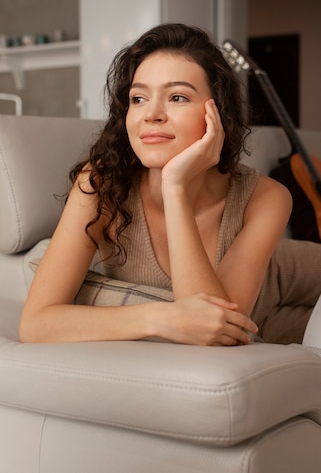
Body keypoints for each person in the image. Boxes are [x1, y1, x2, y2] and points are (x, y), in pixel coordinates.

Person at [19, 23, 292, 346]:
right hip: (270, 299)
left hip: (291, 272)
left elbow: (218, 338)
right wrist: (159, 317)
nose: (152, 114)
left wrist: (174, 186)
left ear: (218, 113)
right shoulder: (100, 184)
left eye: (177, 97)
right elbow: (35, 324)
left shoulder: (267, 197)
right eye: (138, 98)